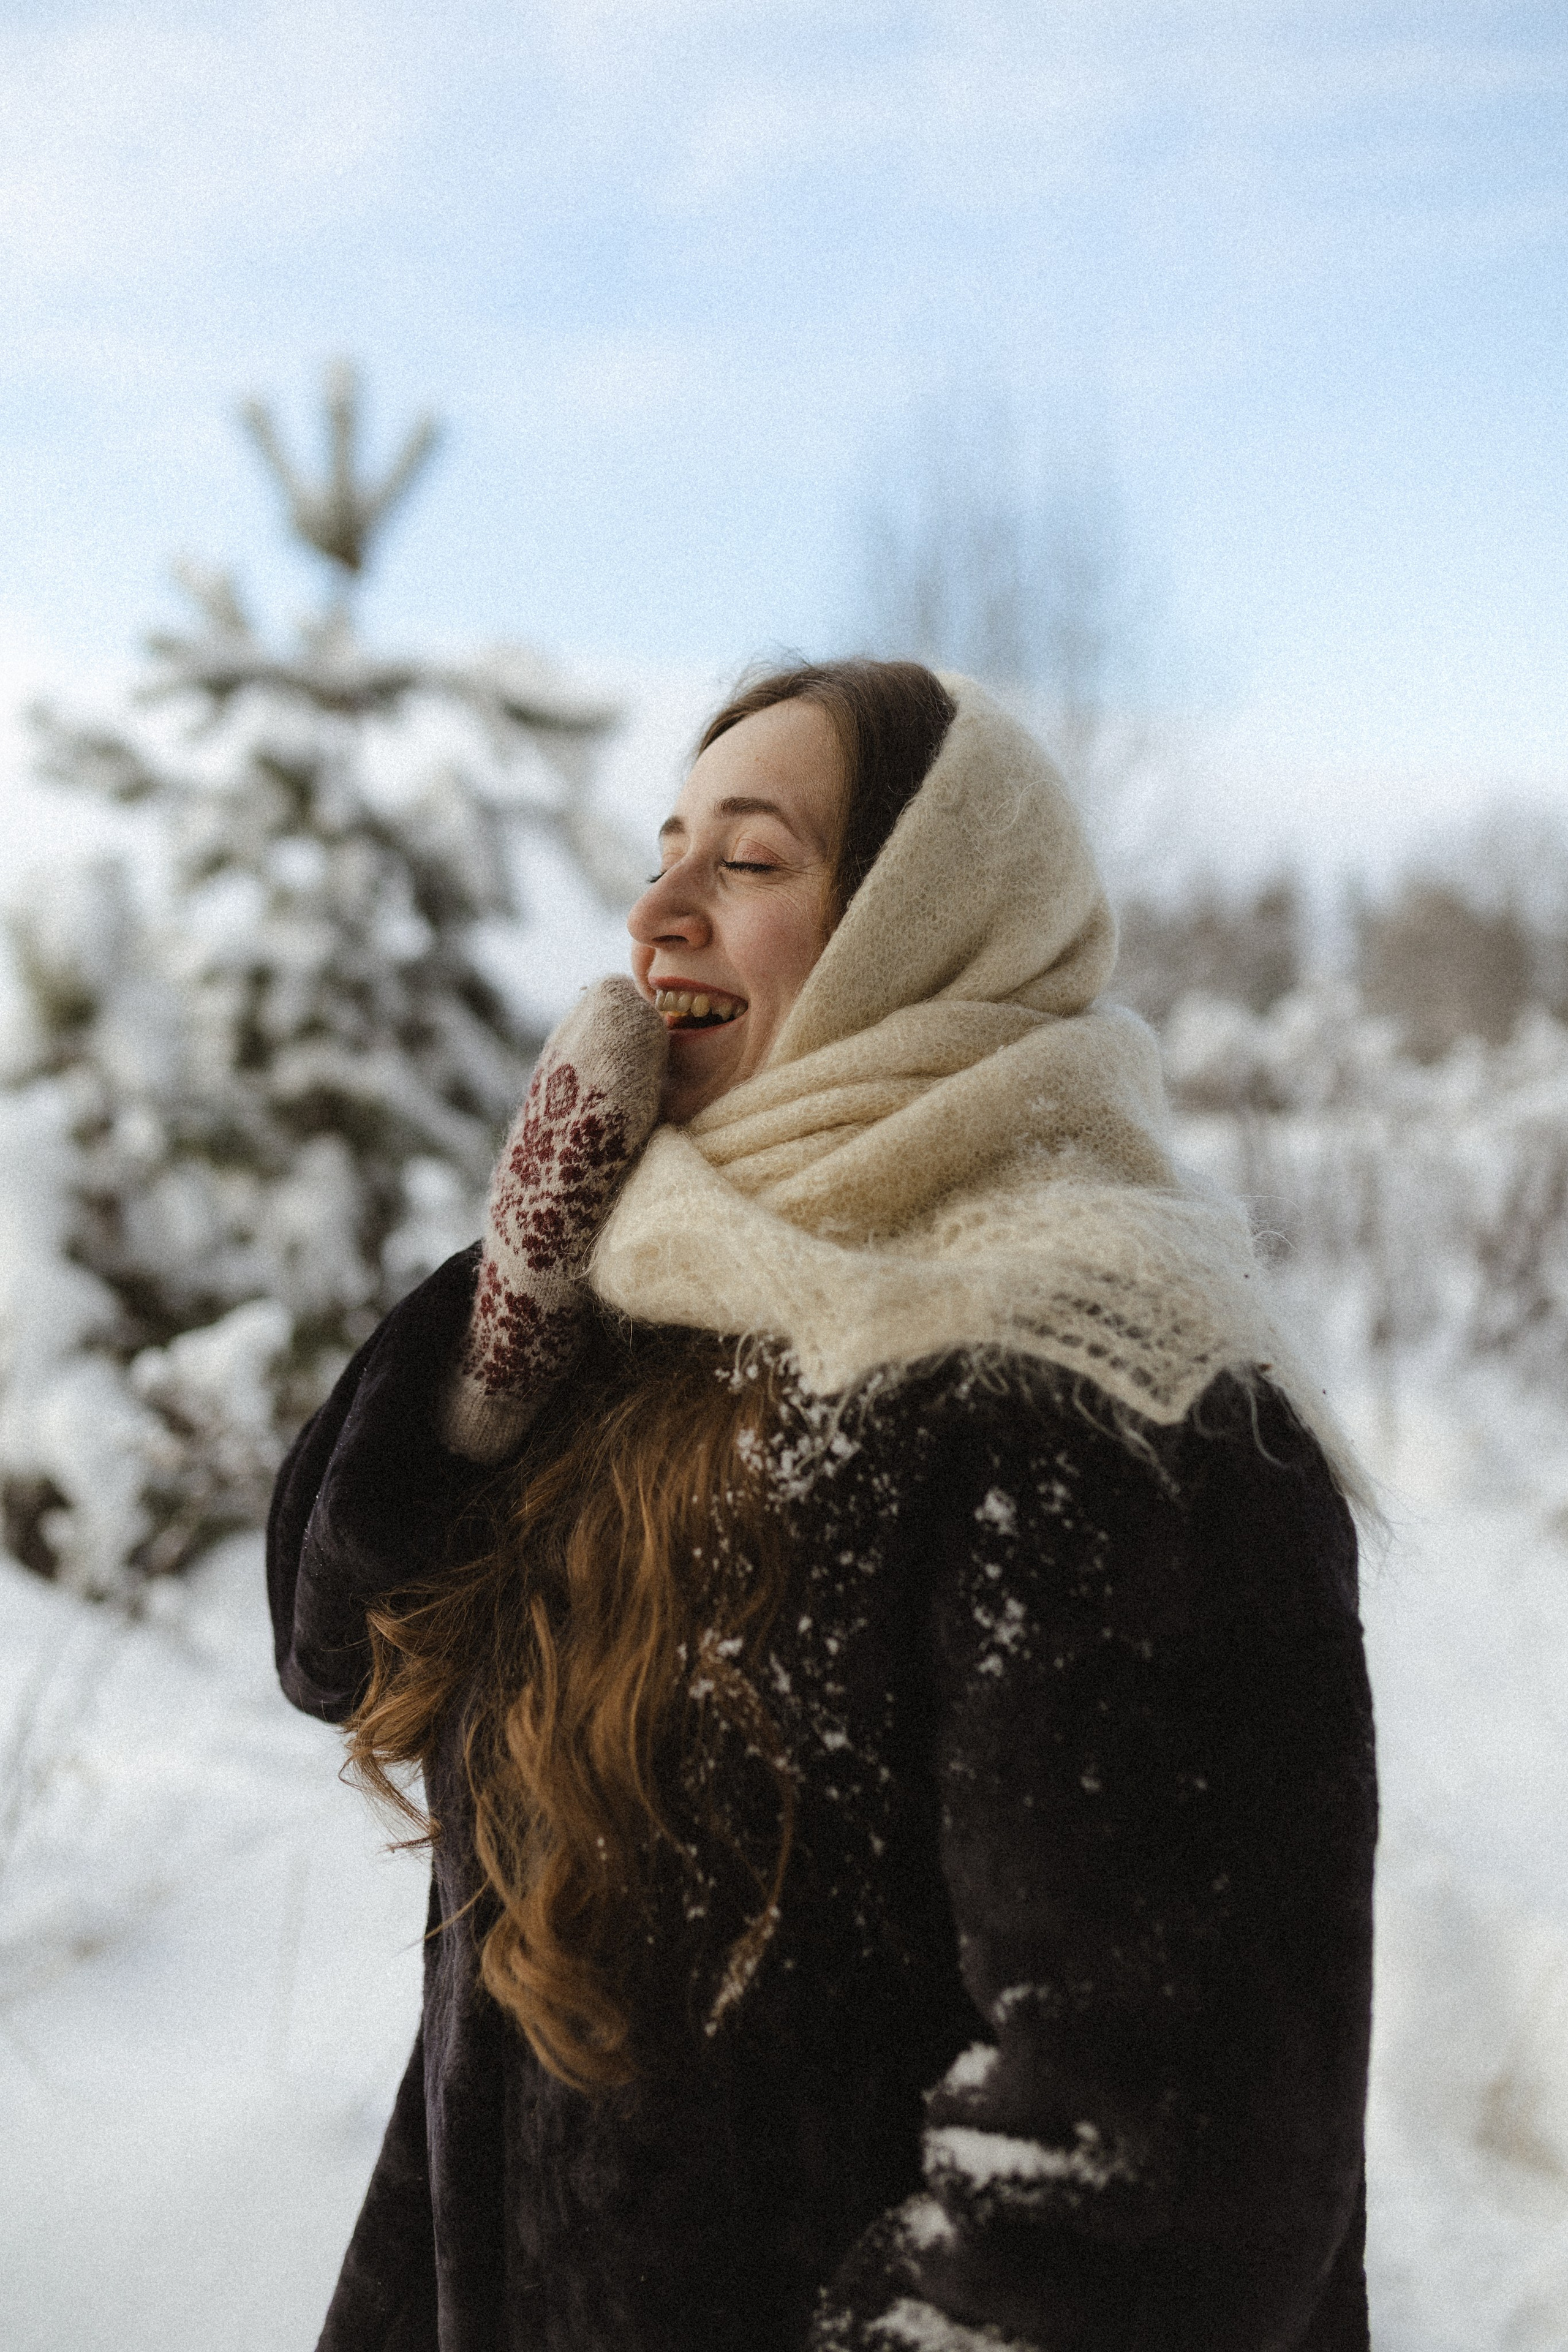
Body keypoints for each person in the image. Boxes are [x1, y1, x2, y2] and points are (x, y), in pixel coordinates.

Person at [268, 661, 1378, 2352]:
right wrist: (494, 1344)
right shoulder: (651, 1305)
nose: (656, 912)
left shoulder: (1110, 1397)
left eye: (749, 859)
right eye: (663, 853)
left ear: (925, 925)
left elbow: (1153, 2179)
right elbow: (336, 1653)